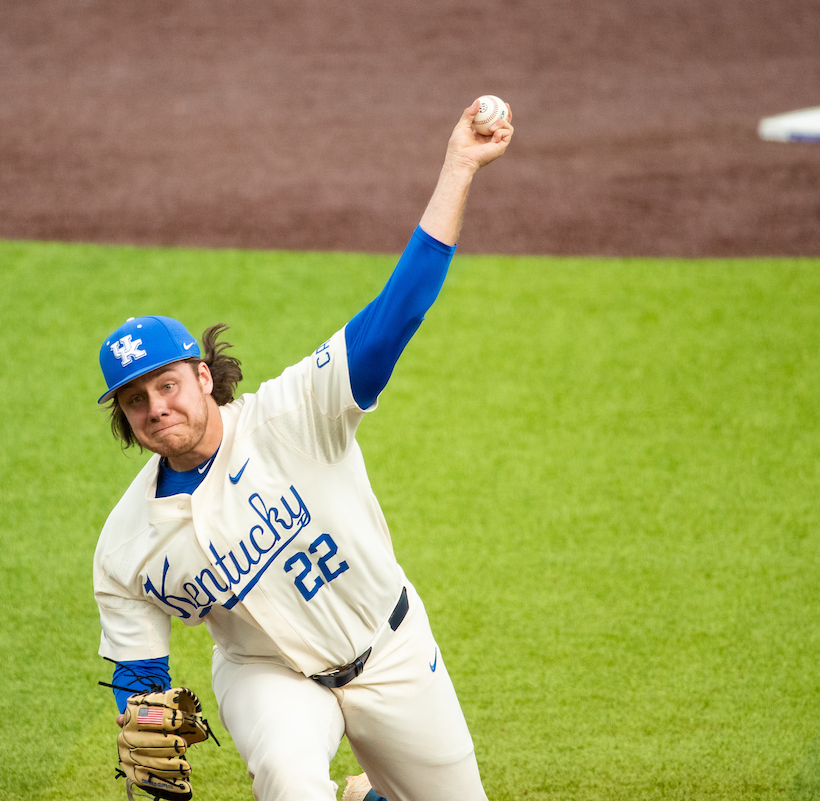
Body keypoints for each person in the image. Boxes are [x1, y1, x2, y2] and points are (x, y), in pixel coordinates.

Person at [93, 99, 513, 801]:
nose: (155, 407)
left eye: (165, 384)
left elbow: (394, 316)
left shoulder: (293, 413)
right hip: (269, 677)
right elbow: (139, 676)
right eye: (135, 400)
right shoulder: (125, 544)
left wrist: (459, 166)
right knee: (290, 779)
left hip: (390, 648)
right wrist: (146, 748)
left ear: (203, 376)